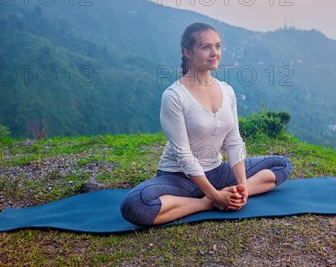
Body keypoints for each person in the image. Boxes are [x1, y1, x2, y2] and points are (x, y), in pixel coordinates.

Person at [120, 22, 292, 226]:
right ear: (188, 52)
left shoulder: (226, 90)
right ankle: (204, 203)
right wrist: (214, 198)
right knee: (135, 206)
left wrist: (242, 185)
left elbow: (233, 140)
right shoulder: (174, 96)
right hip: (180, 177)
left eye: (217, 46)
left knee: (282, 164)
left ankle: (232, 194)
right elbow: (183, 156)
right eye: (205, 47)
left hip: (217, 171)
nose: (214, 53)